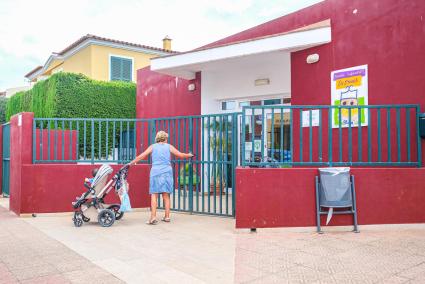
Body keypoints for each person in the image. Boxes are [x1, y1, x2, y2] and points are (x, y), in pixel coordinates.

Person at [128, 131, 193, 225]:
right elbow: (181, 155)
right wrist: (189, 155)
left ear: (157, 138)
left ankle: (153, 218)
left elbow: (142, 155)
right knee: (166, 195)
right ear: (165, 138)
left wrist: (132, 162)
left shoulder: (153, 146)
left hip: (156, 172)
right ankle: (167, 217)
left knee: (154, 195)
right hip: (167, 172)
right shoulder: (169, 146)